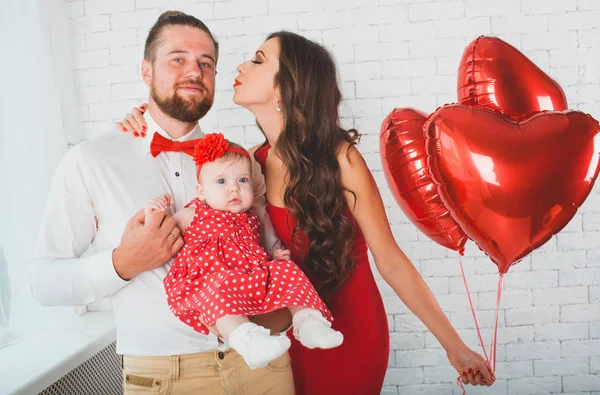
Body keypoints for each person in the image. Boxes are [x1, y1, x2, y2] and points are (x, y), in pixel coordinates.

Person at [118, 30, 496, 394]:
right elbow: (193, 175)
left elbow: (391, 261)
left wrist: (455, 347)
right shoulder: (250, 167)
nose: (240, 67)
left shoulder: (340, 158)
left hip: (347, 332)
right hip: (281, 336)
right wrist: (138, 120)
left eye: (257, 61)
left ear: (286, 87)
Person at [29, 11, 295, 394]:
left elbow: (266, 240)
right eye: (178, 58)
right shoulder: (90, 160)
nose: (194, 71)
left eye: (206, 63)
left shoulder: (240, 160)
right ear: (146, 70)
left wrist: (281, 313)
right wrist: (122, 263)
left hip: (265, 369)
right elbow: (42, 281)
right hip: (166, 377)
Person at [146, 133, 343, 369]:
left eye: (243, 181)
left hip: (250, 279)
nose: (234, 190)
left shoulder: (252, 217)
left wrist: (275, 256)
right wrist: (153, 212)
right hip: (210, 283)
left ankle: (309, 322)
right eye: (221, 182)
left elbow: (263, 246)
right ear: (201, 191)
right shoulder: (194, 213)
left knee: (286, 270)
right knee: (218, 294)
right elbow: (158, 235)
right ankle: (248, 341)